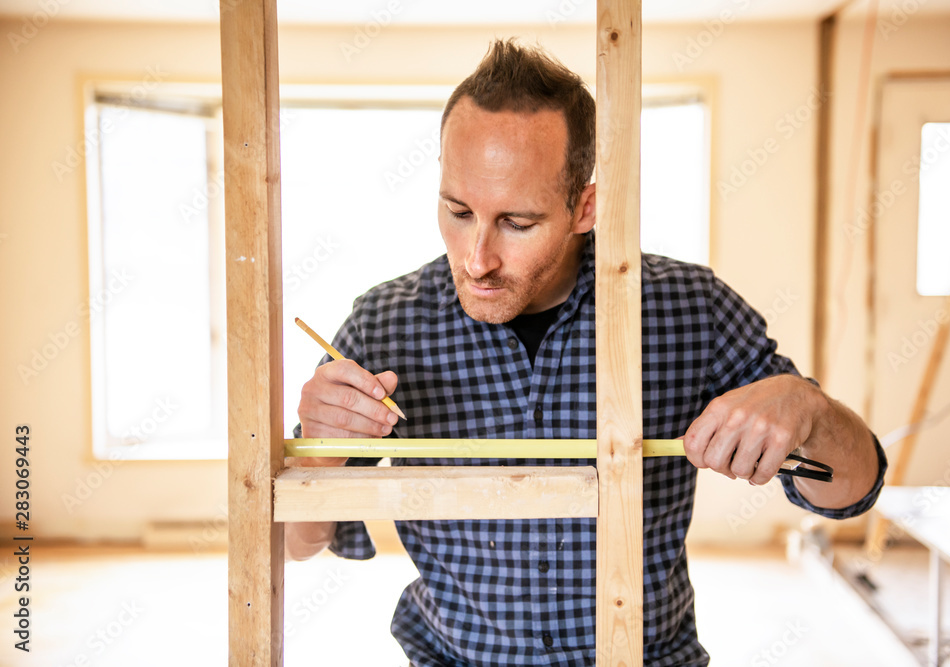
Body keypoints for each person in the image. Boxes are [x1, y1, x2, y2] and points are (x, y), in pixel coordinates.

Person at [288, 39, 886, 666]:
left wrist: (808, 408)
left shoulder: (689, 306)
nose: (476, 258)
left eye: (518, 222)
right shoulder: (384, 323)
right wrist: (319, 460)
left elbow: (854, 490)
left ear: (584, 206)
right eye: (458, 210)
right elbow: (298, 545)